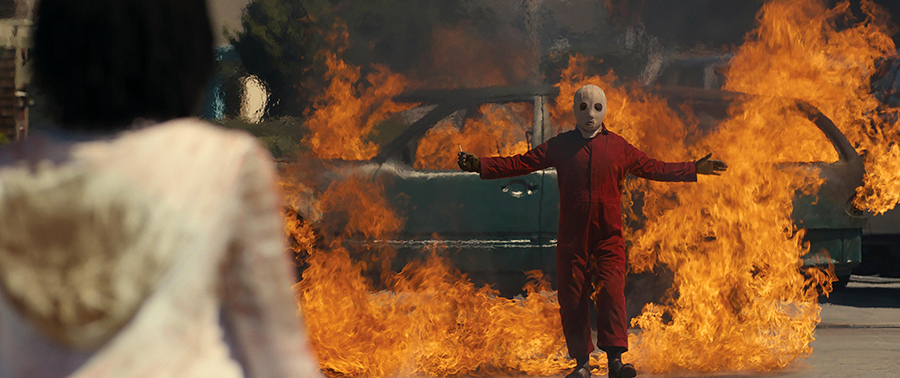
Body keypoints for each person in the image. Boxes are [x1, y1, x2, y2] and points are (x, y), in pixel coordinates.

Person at [0, 1, 323, 377]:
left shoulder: (8, 178)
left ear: (54, 46)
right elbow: (280, 360)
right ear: (186, 46)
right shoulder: (225, 165)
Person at [457, 84, 727, 378]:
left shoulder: (619, 148)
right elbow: (522, 162)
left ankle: (615, 362)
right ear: (574, 111)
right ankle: (582, 365)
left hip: (609, 235)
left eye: (597, 108)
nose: (590, 114)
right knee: (573, 298)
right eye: (584, 108)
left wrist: (692, 168)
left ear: (605, 111)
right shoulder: (561, 146)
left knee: (612, 293)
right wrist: (480, 165)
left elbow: (654, 167)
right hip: (573, 236)